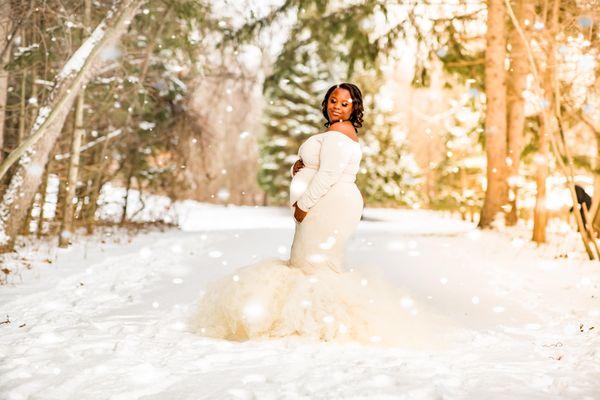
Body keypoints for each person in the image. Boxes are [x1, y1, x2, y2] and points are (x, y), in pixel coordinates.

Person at [190, 83, 433, 346]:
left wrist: (304, 204)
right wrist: (300, 169)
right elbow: (324, 167)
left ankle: (320, 324)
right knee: (314, 263)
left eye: (344, 103)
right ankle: (316, 320)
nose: (336, 107)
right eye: (332, 100)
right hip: (329, 202)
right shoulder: (336, 133)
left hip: (328, 204)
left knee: (311, 265)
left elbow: (328, 175)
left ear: (354, 108)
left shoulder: (339, 133)